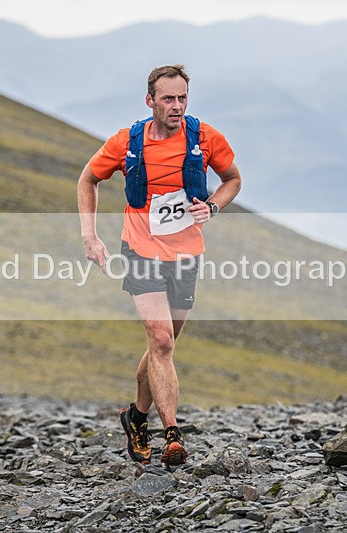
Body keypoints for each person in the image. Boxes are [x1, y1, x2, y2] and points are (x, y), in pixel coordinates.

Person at [77, 65, 241, 466]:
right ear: (149, 100)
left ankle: (135, 417)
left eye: (183, 97)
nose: (177, 106)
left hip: (186, 253)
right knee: (162, 341)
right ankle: (172, 435)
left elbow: (233, 179)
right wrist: (90, 236)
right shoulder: (126, 142)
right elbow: (87, 179)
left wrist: (213, 206)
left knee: (162, 345)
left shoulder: (204, 137)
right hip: (140, 249)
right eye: (168, 98)